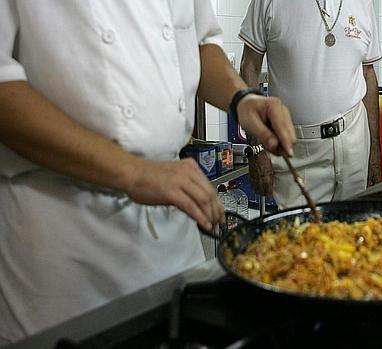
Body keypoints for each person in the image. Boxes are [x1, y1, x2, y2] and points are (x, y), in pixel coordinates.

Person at [0, 1, 295, 344]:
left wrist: (242, 98)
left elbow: (199, 44)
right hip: (63, 238)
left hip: (171, 224)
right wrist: (134, 171)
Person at [238, 0, 382, 209]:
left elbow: (368, 73)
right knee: (300, 236)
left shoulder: (363, 3)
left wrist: (375, 149)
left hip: (355, 144)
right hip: (297, 150)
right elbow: (248, 69)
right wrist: (257, 148)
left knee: (354, 231)